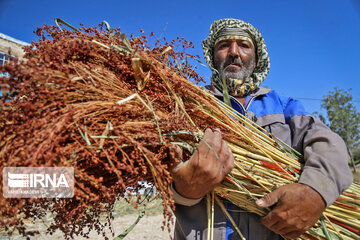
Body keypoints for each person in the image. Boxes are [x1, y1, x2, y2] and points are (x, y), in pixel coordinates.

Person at [170, 18, 353, 240]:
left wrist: (315, 192)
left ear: (256, 60)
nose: (234, 52)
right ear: (212, 56)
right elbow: (158, 170)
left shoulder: (284, 106)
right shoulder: (186, 103)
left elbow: (329, 144)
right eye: (224, 45)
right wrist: (183, 191)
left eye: (244, 46)